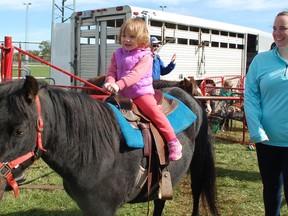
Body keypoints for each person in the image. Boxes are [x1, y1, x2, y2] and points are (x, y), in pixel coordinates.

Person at [103, 18, 182, 161]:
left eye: (132, 37)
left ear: (141, 38)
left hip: (140, 93)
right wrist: (110, 82)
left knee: (154, 113)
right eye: (124, 36)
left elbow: (135, 75)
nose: (127, 40)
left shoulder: (146, 56)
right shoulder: (117, 53)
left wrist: (118, 85)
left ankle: (173, 141)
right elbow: (111, 71)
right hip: (120, 93)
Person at [244, 11, 288, 215]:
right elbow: (251, 97)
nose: (277, 33)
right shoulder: (261, 61)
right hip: (267, 142)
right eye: (274, 28)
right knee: (271, 194)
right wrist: (257, 132)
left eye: (283, 28)